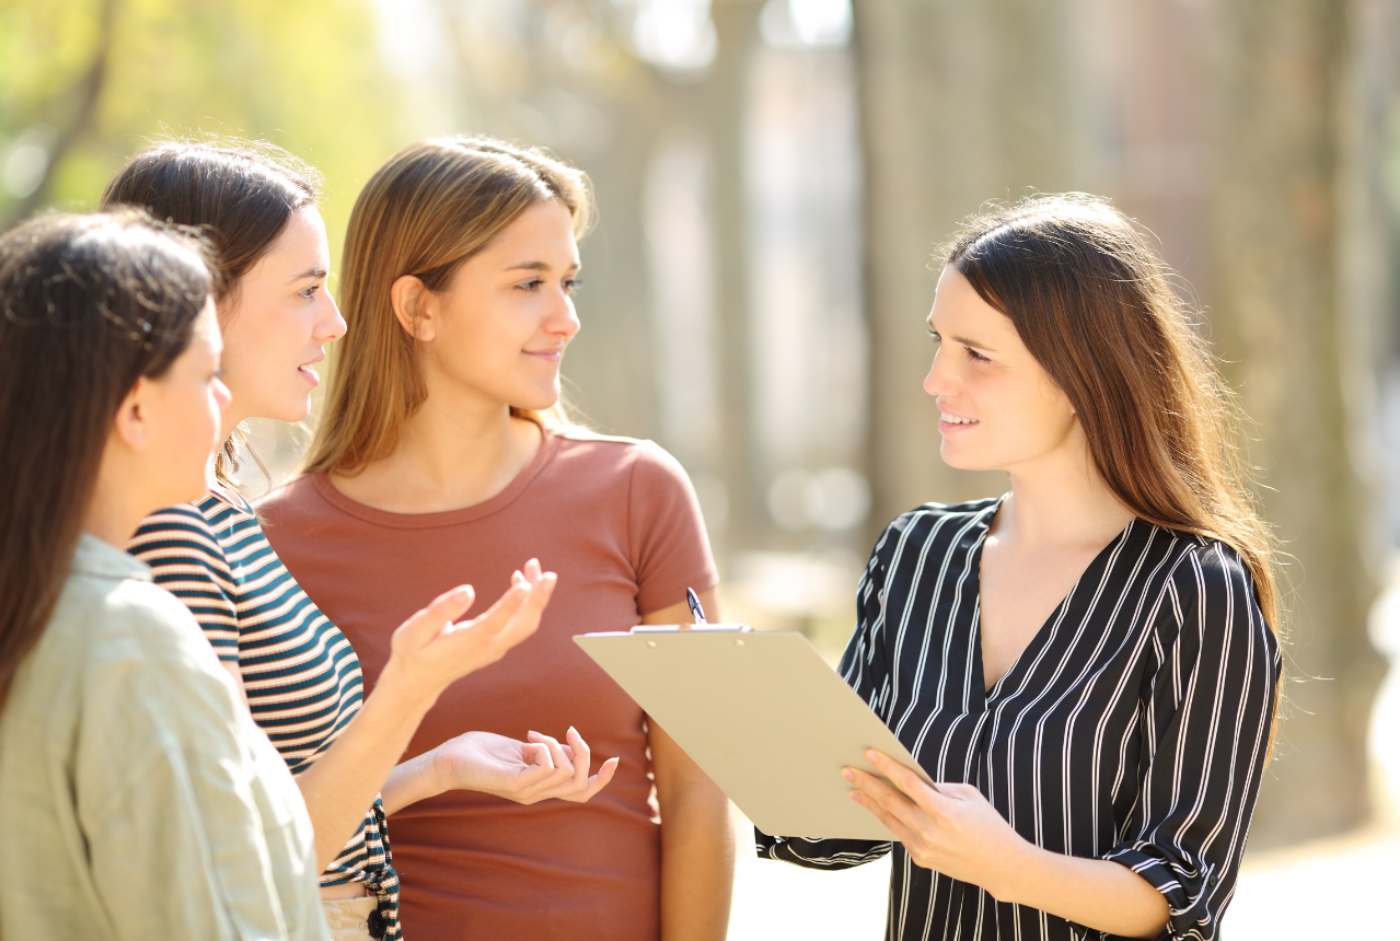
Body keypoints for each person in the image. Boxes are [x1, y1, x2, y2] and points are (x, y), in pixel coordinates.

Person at [103, 142, 603, 941]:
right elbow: (238, 852)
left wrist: (437, 768)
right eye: (306, 290)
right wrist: (410, 689)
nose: (335, 321)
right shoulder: (172, 529)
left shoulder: (222, 509)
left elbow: (279, 808)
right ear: (199, 301)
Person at [758, 195, 1281, 941]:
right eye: (939, 342)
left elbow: (1184, 893)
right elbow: (838, 827)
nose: (938, 379)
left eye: (977, 354)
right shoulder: (916, 555)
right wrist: (736, 726)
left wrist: (1008, 863)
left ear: (1079, 374)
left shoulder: (1196, 588)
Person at [256, 136, 735, 941]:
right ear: (418, 308)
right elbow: (273, 830)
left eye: (568, 282)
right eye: (528, 284)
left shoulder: (638, 493)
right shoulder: (276, 539)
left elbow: (699, 793)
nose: (566, 317)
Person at [0, 209, 328, 938]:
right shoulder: (131, 640)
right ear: (137, 409)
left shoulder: (46, 611)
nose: (223, 398)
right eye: (209, 372)